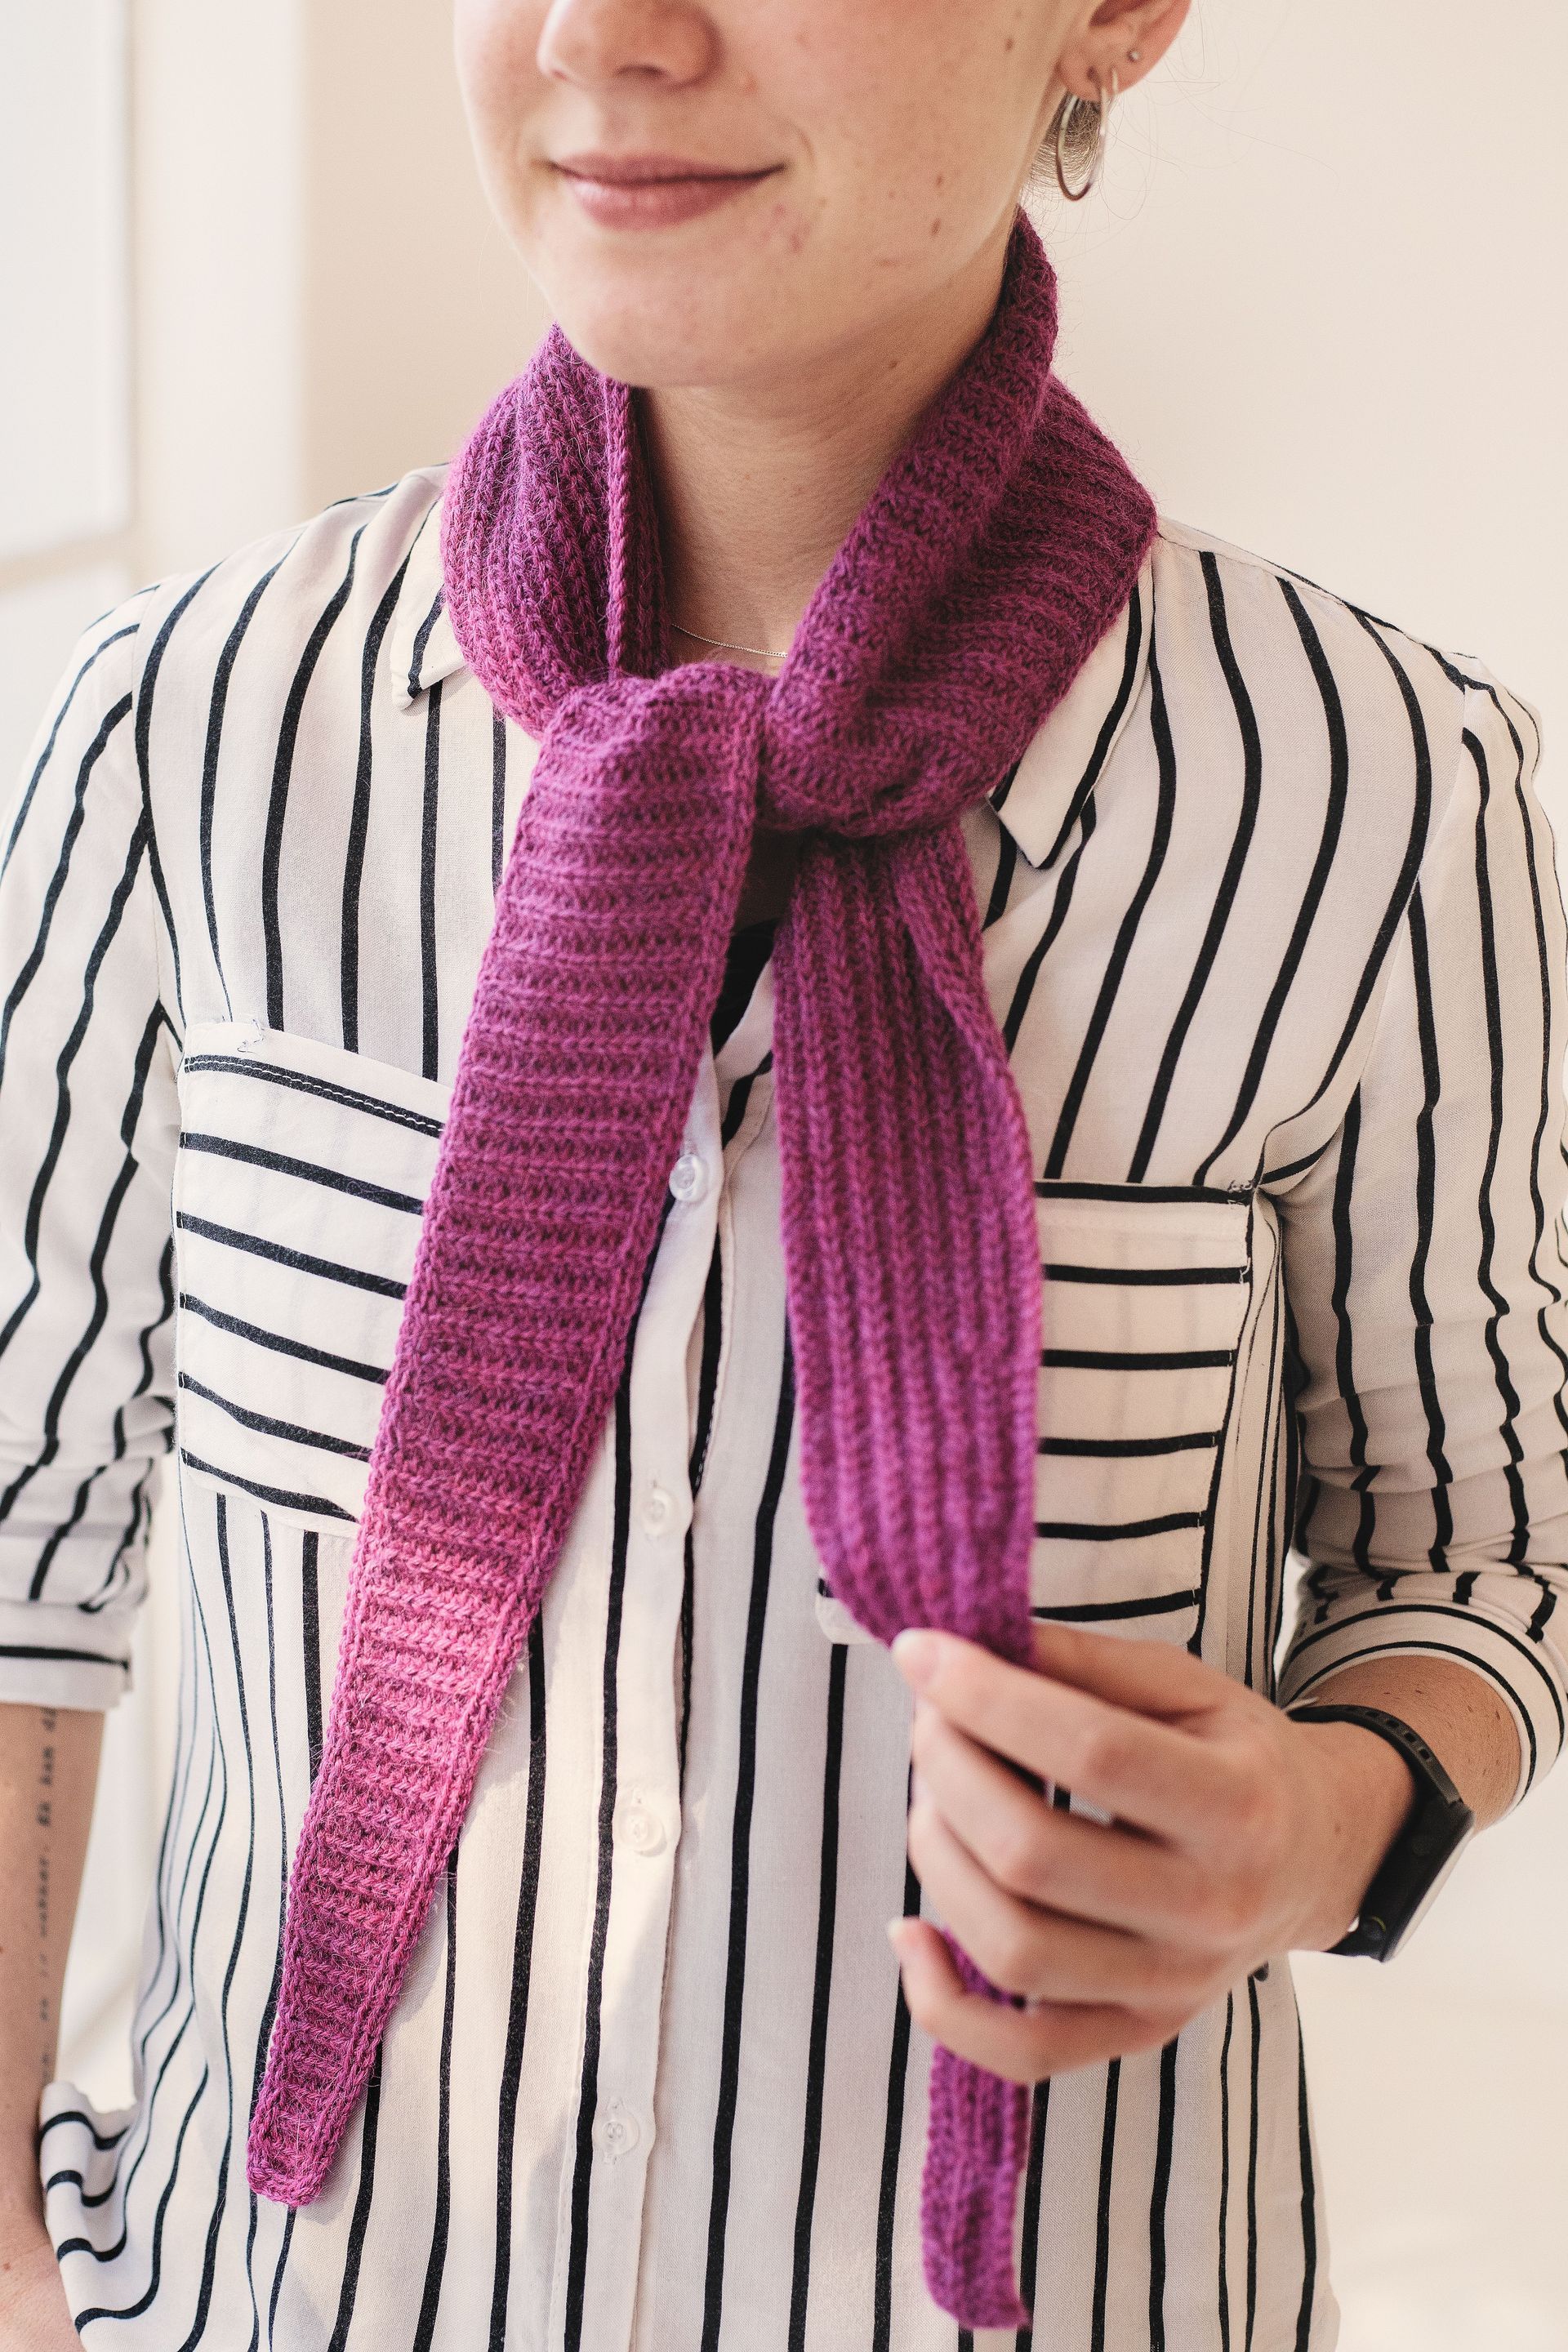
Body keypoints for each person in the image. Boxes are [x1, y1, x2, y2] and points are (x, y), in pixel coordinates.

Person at [1, 0, 1561, 2344]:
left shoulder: (1384, 804)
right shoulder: (187, 735)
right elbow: (24, 1547)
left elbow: (1491, 1549)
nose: (601, 32)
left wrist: (1320, 1826)